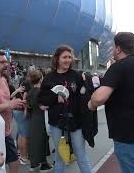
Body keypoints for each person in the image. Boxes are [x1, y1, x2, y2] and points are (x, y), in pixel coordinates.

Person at [88, 32, 134, 173]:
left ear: (118, 48)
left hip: (128, 135)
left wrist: (91, 104)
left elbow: (99, 98)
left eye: (114, 47)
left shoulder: (118, 67)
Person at [39, 45, 92, 173]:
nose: (68, 60)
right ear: (57, 59)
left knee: (80, 154)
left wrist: (87, 83)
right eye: (64, 57)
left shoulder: (77, 75)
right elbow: (42, 99)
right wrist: (55, 99)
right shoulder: (49, 78)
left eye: (70, 57)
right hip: (57, 122)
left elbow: (84, 96)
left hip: (76, 121)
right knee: (60, 155)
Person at [27, 70, 53, 172]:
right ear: (41, 78)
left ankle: (34, 164)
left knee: (34, 141)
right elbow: (44, 106)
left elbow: (29, 106)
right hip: (42, 118)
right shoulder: (40, 91)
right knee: (43, 141)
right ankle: (44, 164)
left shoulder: (30, 91)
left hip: (34, 117)